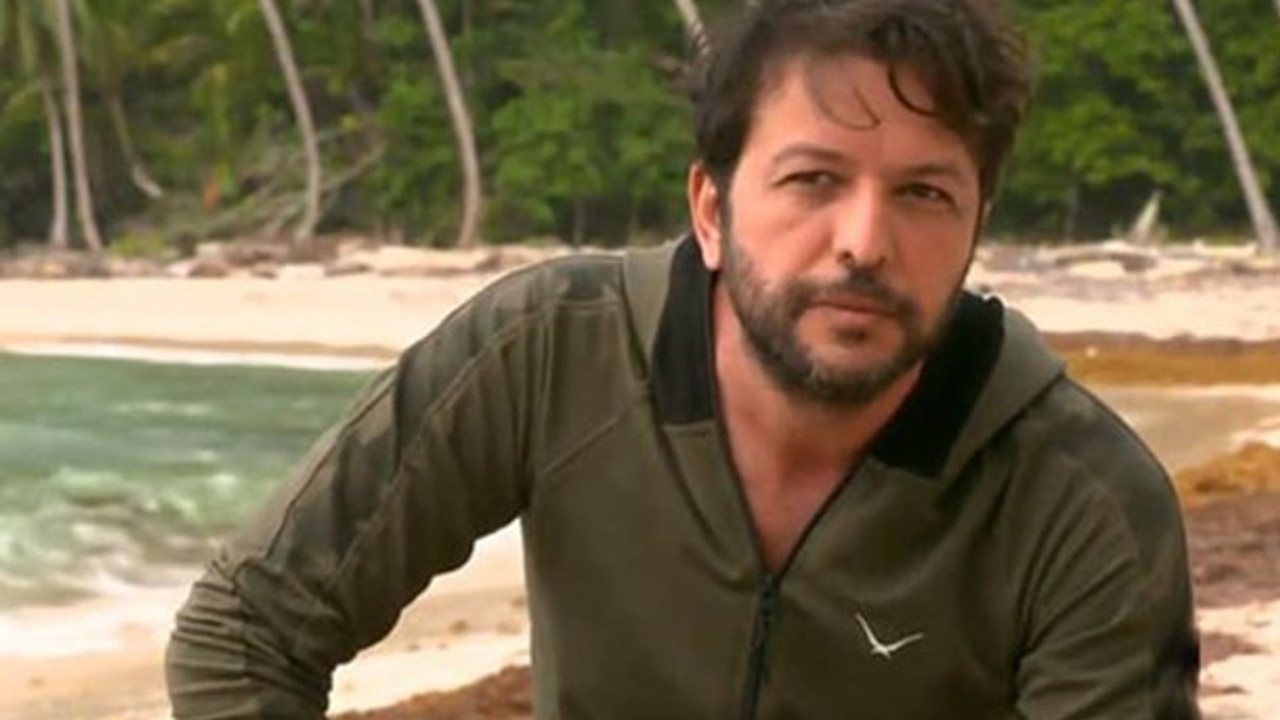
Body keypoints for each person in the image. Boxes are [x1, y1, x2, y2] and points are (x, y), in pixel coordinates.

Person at [167, 0, 1200, 717]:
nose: (863, 242)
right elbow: (247, 631)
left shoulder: (1075, 497)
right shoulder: (549, 355)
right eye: (811, 179)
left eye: (923, 194)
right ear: (711, 209)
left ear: (974, 227)